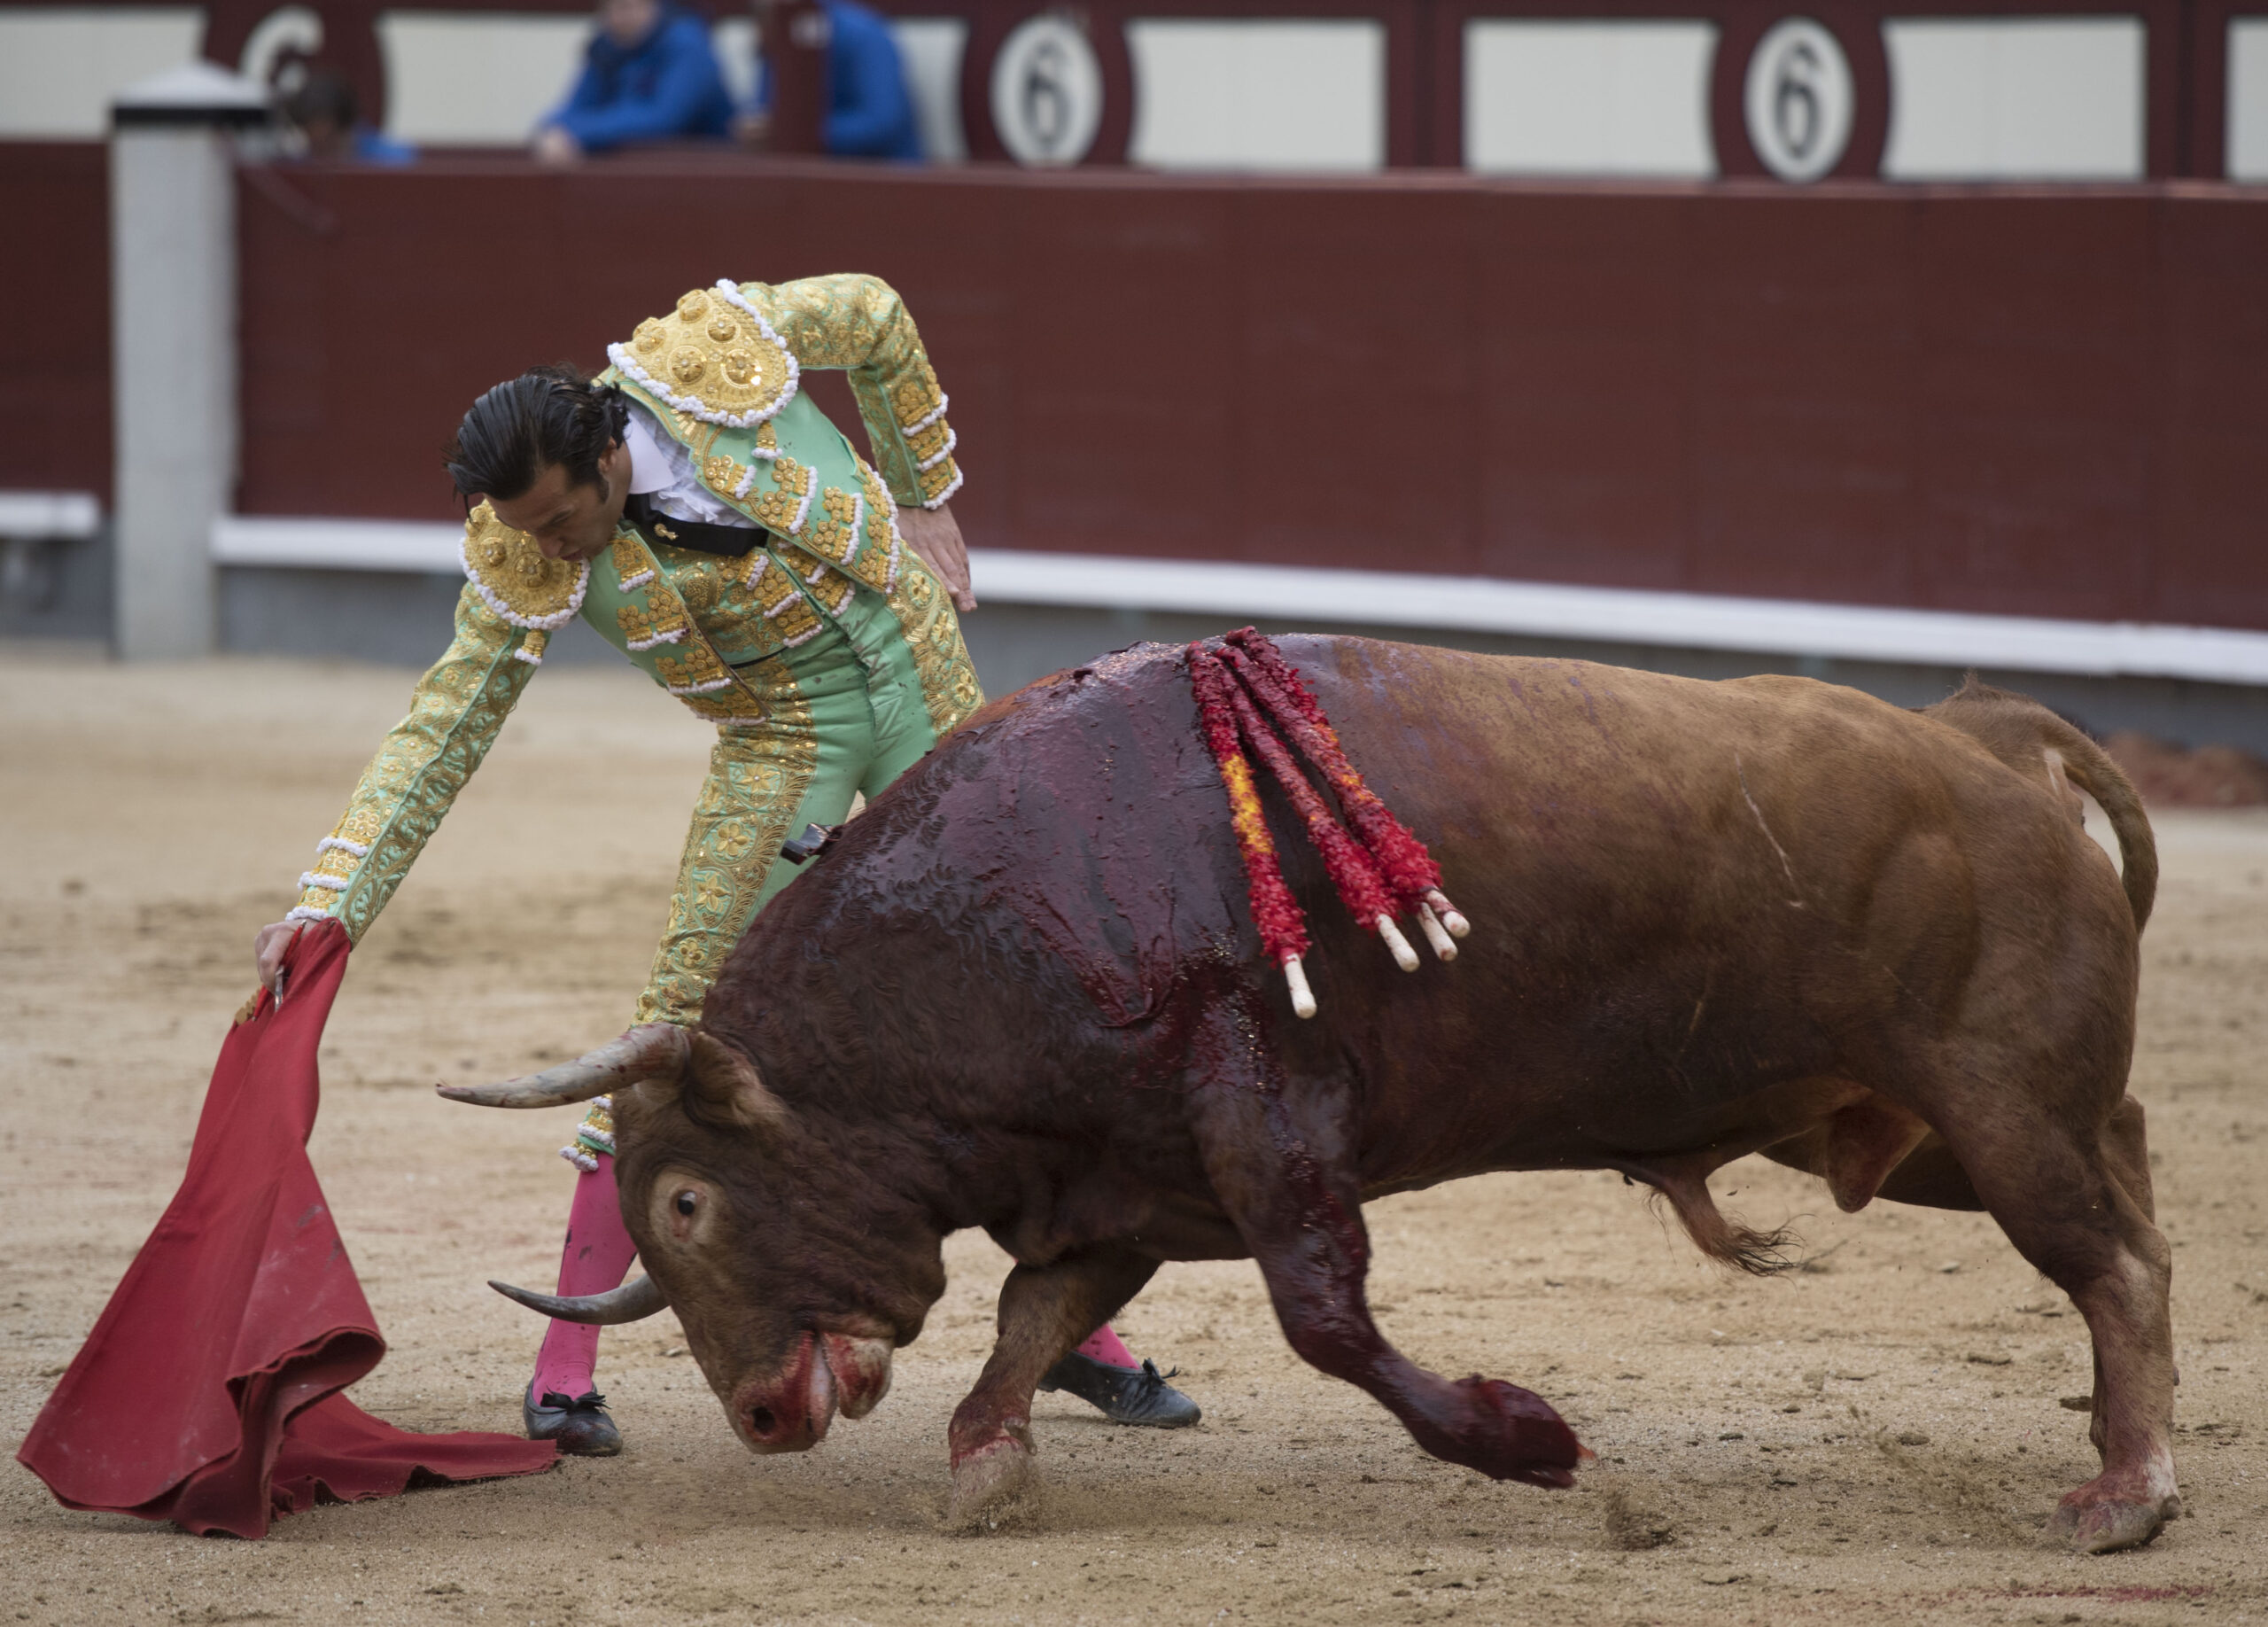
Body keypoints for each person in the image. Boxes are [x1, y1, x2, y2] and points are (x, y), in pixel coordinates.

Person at [253, 276, 1200, 1454]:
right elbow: (444, 727)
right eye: (531, 531)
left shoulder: (713, 355)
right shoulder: (523, 548)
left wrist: (922, 497)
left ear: (608, 459)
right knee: (676, 1031)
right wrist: (332, 900)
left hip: (929, 697)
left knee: (1027, 1002)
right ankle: (565, 1370)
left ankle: (1077, 1341)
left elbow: (871, 312)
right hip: (783, 743)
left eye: (561, 520)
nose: (548, 549)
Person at [535, 0, 735, 163]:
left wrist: (577, 133)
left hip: (707, 175)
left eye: (628, 7)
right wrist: (552, 128)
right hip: (634, 177)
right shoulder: (607, 47)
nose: (619, 18)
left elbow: (663, 119)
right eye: (610, 9)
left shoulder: (689, 45)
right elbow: (576, 105)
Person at [737, 0, 921, 160]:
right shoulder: (776, 34)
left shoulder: (864, 34)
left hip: (882, 175)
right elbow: (764, 110)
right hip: (800, 174)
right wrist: (757, 129)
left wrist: (798, 133)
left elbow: (883, 123)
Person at [280, 70, 417, 165]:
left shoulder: (393, 161)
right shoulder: (302, 165)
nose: (323, 154)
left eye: (328, 141)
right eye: (315, 144)